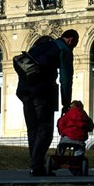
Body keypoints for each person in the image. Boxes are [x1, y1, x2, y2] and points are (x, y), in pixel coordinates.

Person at [16, 29, 79, 176]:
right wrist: (66, 103)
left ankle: (36, 165)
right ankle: (36, 165)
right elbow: (65, 78)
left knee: (33, 130)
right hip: (42, 93)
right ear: (70, 39)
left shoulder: (40, 46)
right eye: (74, 43)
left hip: (24, 91)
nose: (73, 47)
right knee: (45, 130)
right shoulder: (64, 50)